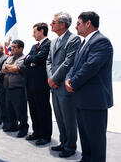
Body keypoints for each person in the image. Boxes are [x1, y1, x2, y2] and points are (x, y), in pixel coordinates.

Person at [65, 11, 113, 162]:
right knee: (85, 138)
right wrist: (68, 79)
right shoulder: (85, 43)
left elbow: (90, 67)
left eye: (78, 23)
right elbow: (74, 66)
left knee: (95, 140)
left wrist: (72, 83)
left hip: (94, 100)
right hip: (81, 98)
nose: (75, 26)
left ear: (88, 23)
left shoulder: (101, 42)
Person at [46, 12, 80, 157]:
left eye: (53, 22)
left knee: (69, 118)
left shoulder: (74, 39)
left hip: (64, 86)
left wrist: (54, 78)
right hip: (54, 85)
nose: (51, 24)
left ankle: (70, 146)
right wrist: (50, 79)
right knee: (59, 116)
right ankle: (63, 142)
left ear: (62, 24)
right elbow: (49, 61)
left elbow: (68, 62)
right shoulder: (53, 42)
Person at [24, 23, 52, 145]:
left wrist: (32, 60)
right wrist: (32, 60)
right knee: (33, 109)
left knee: (43, 110)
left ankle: (45, 135)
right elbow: (26, 60)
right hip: (30, 83)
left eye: (35, 32)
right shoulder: (34, 46)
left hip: (41, 84)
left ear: (42, 31)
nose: (33, 34)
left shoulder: (48, 44)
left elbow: (39, 59)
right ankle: (37, 132)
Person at [2, 39, 29, 138]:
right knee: (10, 109)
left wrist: (9, 68)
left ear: (21, 48)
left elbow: (16, 69)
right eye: (11, 46)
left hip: (18, 89)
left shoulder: (24, 58)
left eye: (14, 47)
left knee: (20, 110)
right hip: (8, 88)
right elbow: (3, 69)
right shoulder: (10, 58)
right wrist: (10, 68)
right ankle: (13, 126)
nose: (11, 48)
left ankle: (23, 129)